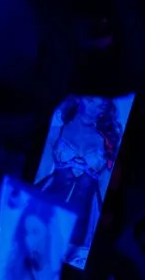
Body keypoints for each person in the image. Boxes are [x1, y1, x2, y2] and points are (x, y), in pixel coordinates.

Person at [34, 96, 123, 255]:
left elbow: (104, 187)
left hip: (81, 227)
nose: (93, 110)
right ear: (79, 99)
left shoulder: (107, 142)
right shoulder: (58, 128)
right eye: (90, 101)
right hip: (46, 211)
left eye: (100, 106)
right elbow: (42, 169)